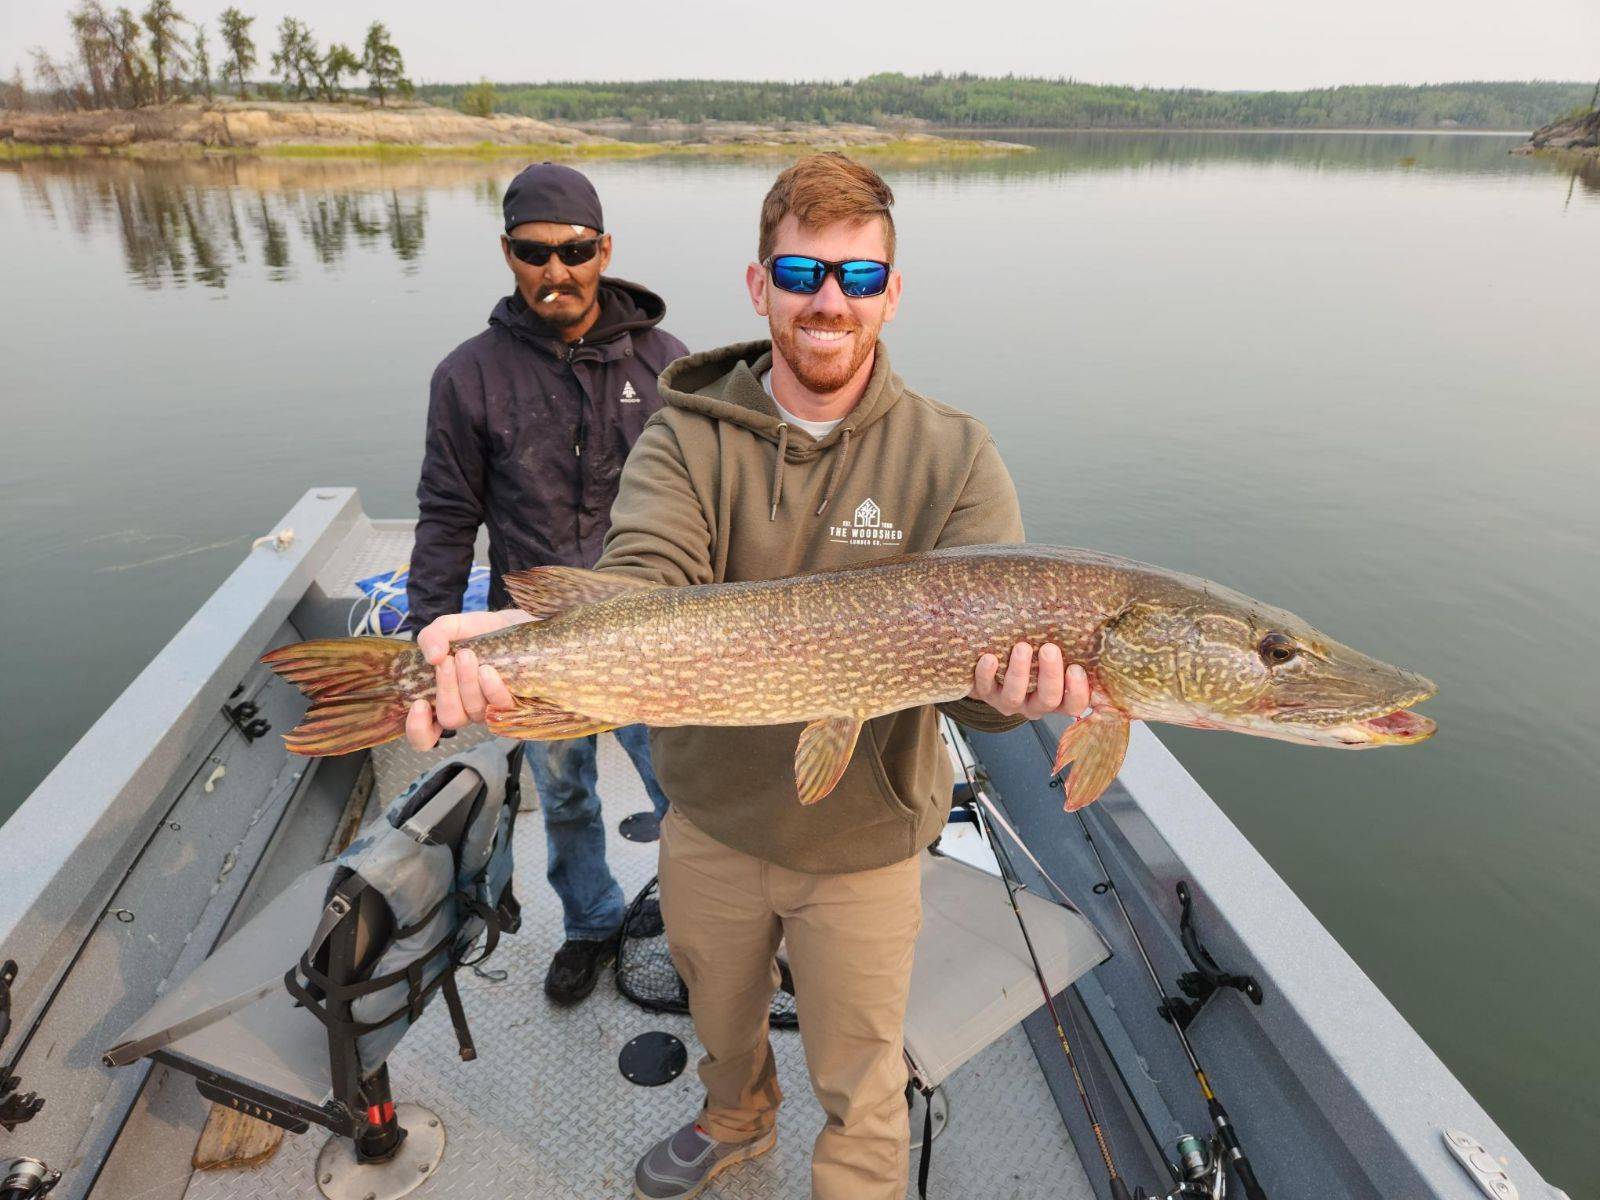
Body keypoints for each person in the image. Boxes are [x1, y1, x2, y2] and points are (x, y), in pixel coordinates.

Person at [405, 153, 1091, 1199]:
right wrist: (509, 641)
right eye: (802, 272)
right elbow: (644, 576)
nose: (829, 300)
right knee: (721, 1029)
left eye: (858, 278)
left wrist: (1004, 702)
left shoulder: (954, 456)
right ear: (758, 283)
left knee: (860, 1080)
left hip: (862, 843)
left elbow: (973, 698)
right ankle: (734, 1123)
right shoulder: (683, 431)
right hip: (712, 822)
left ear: (891, 294)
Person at [405, 161, 686, 1006]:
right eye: (534, 252)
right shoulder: (469, 376)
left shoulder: (669, 365)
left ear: (604, 249)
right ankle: (591, 923)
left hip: (652, 635)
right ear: (507, 252)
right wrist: (431, 635)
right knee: (565, 795)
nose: (555, 271)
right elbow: (449, 512)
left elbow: (704, 511)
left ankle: (691, 917)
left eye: (575, 250)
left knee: (686, 789)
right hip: (529, 636)